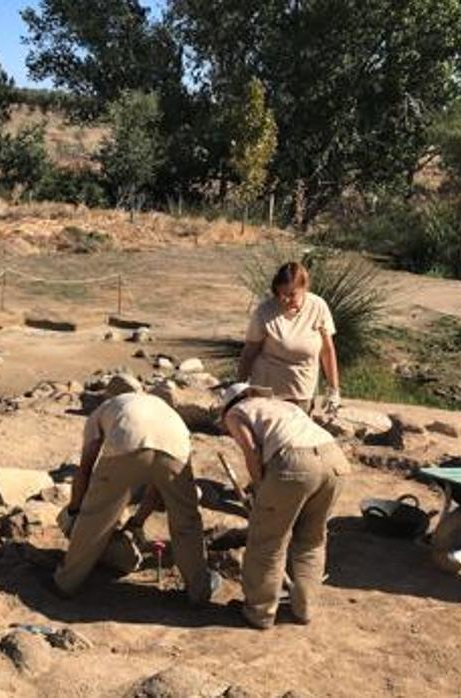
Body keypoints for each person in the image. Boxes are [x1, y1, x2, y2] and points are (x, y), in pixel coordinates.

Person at [54, 389, 218, 603]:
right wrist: (137, 522)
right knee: (186, 520)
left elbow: (84, 470)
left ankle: (66, 582)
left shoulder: (100, 412)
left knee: (97, 515)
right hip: (176, 446)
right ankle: (199, 590)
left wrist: (76, 509)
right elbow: (158, 485)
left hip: (127, 439)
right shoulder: (164, 411)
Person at [220, 382, 350, 628]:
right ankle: (304, 609)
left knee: (268, 540)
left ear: (229, 404)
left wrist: (259, 488)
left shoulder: (236, 413)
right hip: (335, 461)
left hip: (295, 463)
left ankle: (259, 612)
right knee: (312, 540)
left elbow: (252, 452)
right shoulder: (284, 406)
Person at [237, 262, 340, 412]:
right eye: (281, 294)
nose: (285, 300)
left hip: (302, 392)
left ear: (304, 288)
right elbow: (249, 352)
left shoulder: (318, 307)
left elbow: (327, 351)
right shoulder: (264, 311)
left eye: (292, 295)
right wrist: (239, 385)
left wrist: (333, 389)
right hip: (266, 392)